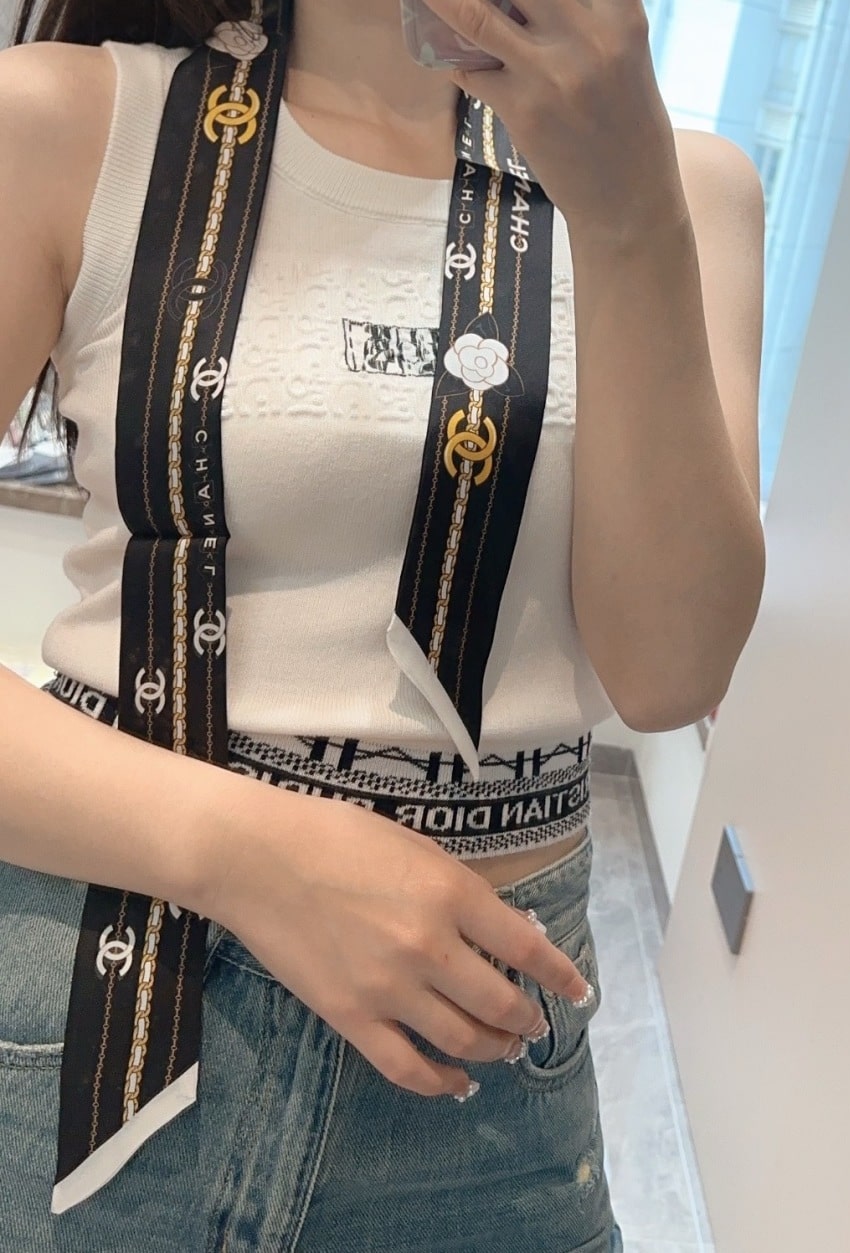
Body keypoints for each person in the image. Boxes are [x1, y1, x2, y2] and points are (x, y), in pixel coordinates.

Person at [0, 0, 767, 1246]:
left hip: (489, 1072)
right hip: (102, 1010)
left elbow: (670, 670)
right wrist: (258, 855)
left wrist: (628, 214)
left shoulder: (687, 190)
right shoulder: (68, 119)